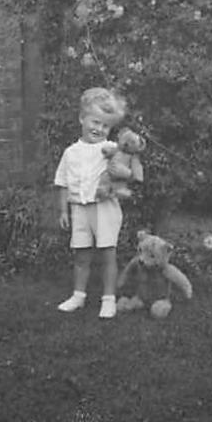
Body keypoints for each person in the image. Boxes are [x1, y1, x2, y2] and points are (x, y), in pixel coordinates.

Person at [54, 86, 138, 319]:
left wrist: (124, 169)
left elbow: (125, 163)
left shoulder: (109, 148)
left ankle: (108, 299)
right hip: (79, 210)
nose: (99, 129)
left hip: (104, 209)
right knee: (81, 255)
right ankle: (78, 295)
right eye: (95, 122)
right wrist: (63, 211)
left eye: (105, 125)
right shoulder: (70, 152)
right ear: (82, 118)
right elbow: (62, 182)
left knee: (107, 254)